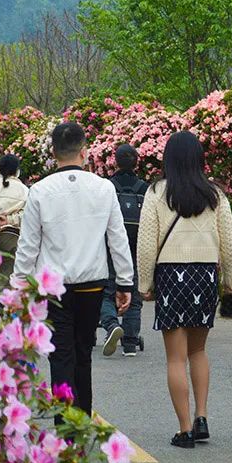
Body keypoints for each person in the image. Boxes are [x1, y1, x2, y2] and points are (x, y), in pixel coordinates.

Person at [13, 122, 134, 419]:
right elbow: (117, 238)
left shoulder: (39, 191)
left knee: (60, 354)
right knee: (83, 353)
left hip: (53, 288)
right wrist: (124, 282)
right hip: (92, 283)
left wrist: (18, 286)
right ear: (85, 151)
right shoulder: (104, 188)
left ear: (53, 153)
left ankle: (65, 426)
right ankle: (83, 418)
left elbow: (28, 245)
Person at [137, 131, 232, 449]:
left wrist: (144, 283)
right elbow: (230, 243)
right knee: (198, 351)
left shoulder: (156, 193)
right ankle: (202, 416)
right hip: (205, 276)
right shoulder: (215, 195)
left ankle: (184, 430)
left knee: (175, 359)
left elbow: (145, 244)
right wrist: (230, 281)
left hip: (171, 276)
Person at [100, 144, 148, 357]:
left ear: (115, 162)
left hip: (110, 246)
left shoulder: (107, 186)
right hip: (136, 246)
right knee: (133, 292)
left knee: (107, 291)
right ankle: (130, 342)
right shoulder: (144, 188)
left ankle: (110, 325)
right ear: (136, 162)